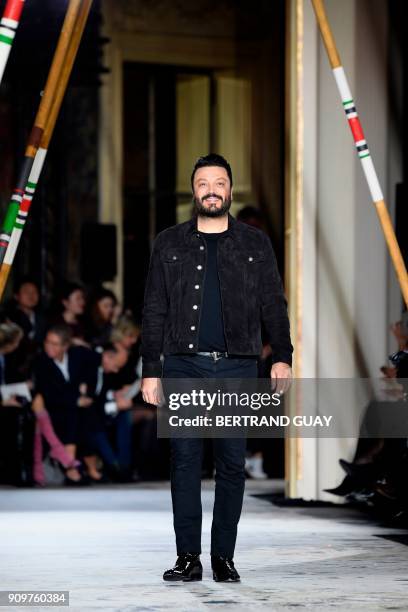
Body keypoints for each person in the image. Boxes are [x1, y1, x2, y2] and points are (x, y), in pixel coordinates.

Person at [140, 153, 293, 582]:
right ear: (195, 190)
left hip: (237, 367)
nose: (212, 189)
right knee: (185, 461)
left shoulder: (255, 243)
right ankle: (188, 557)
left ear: (229, 189)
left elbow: (273, 304)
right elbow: (154, 308)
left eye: (220, 182)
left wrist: (282, 355)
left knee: (231, 462)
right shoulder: (168, 242)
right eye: (204, 182)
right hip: (184, 365)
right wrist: (151, 367)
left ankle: (223, 556)